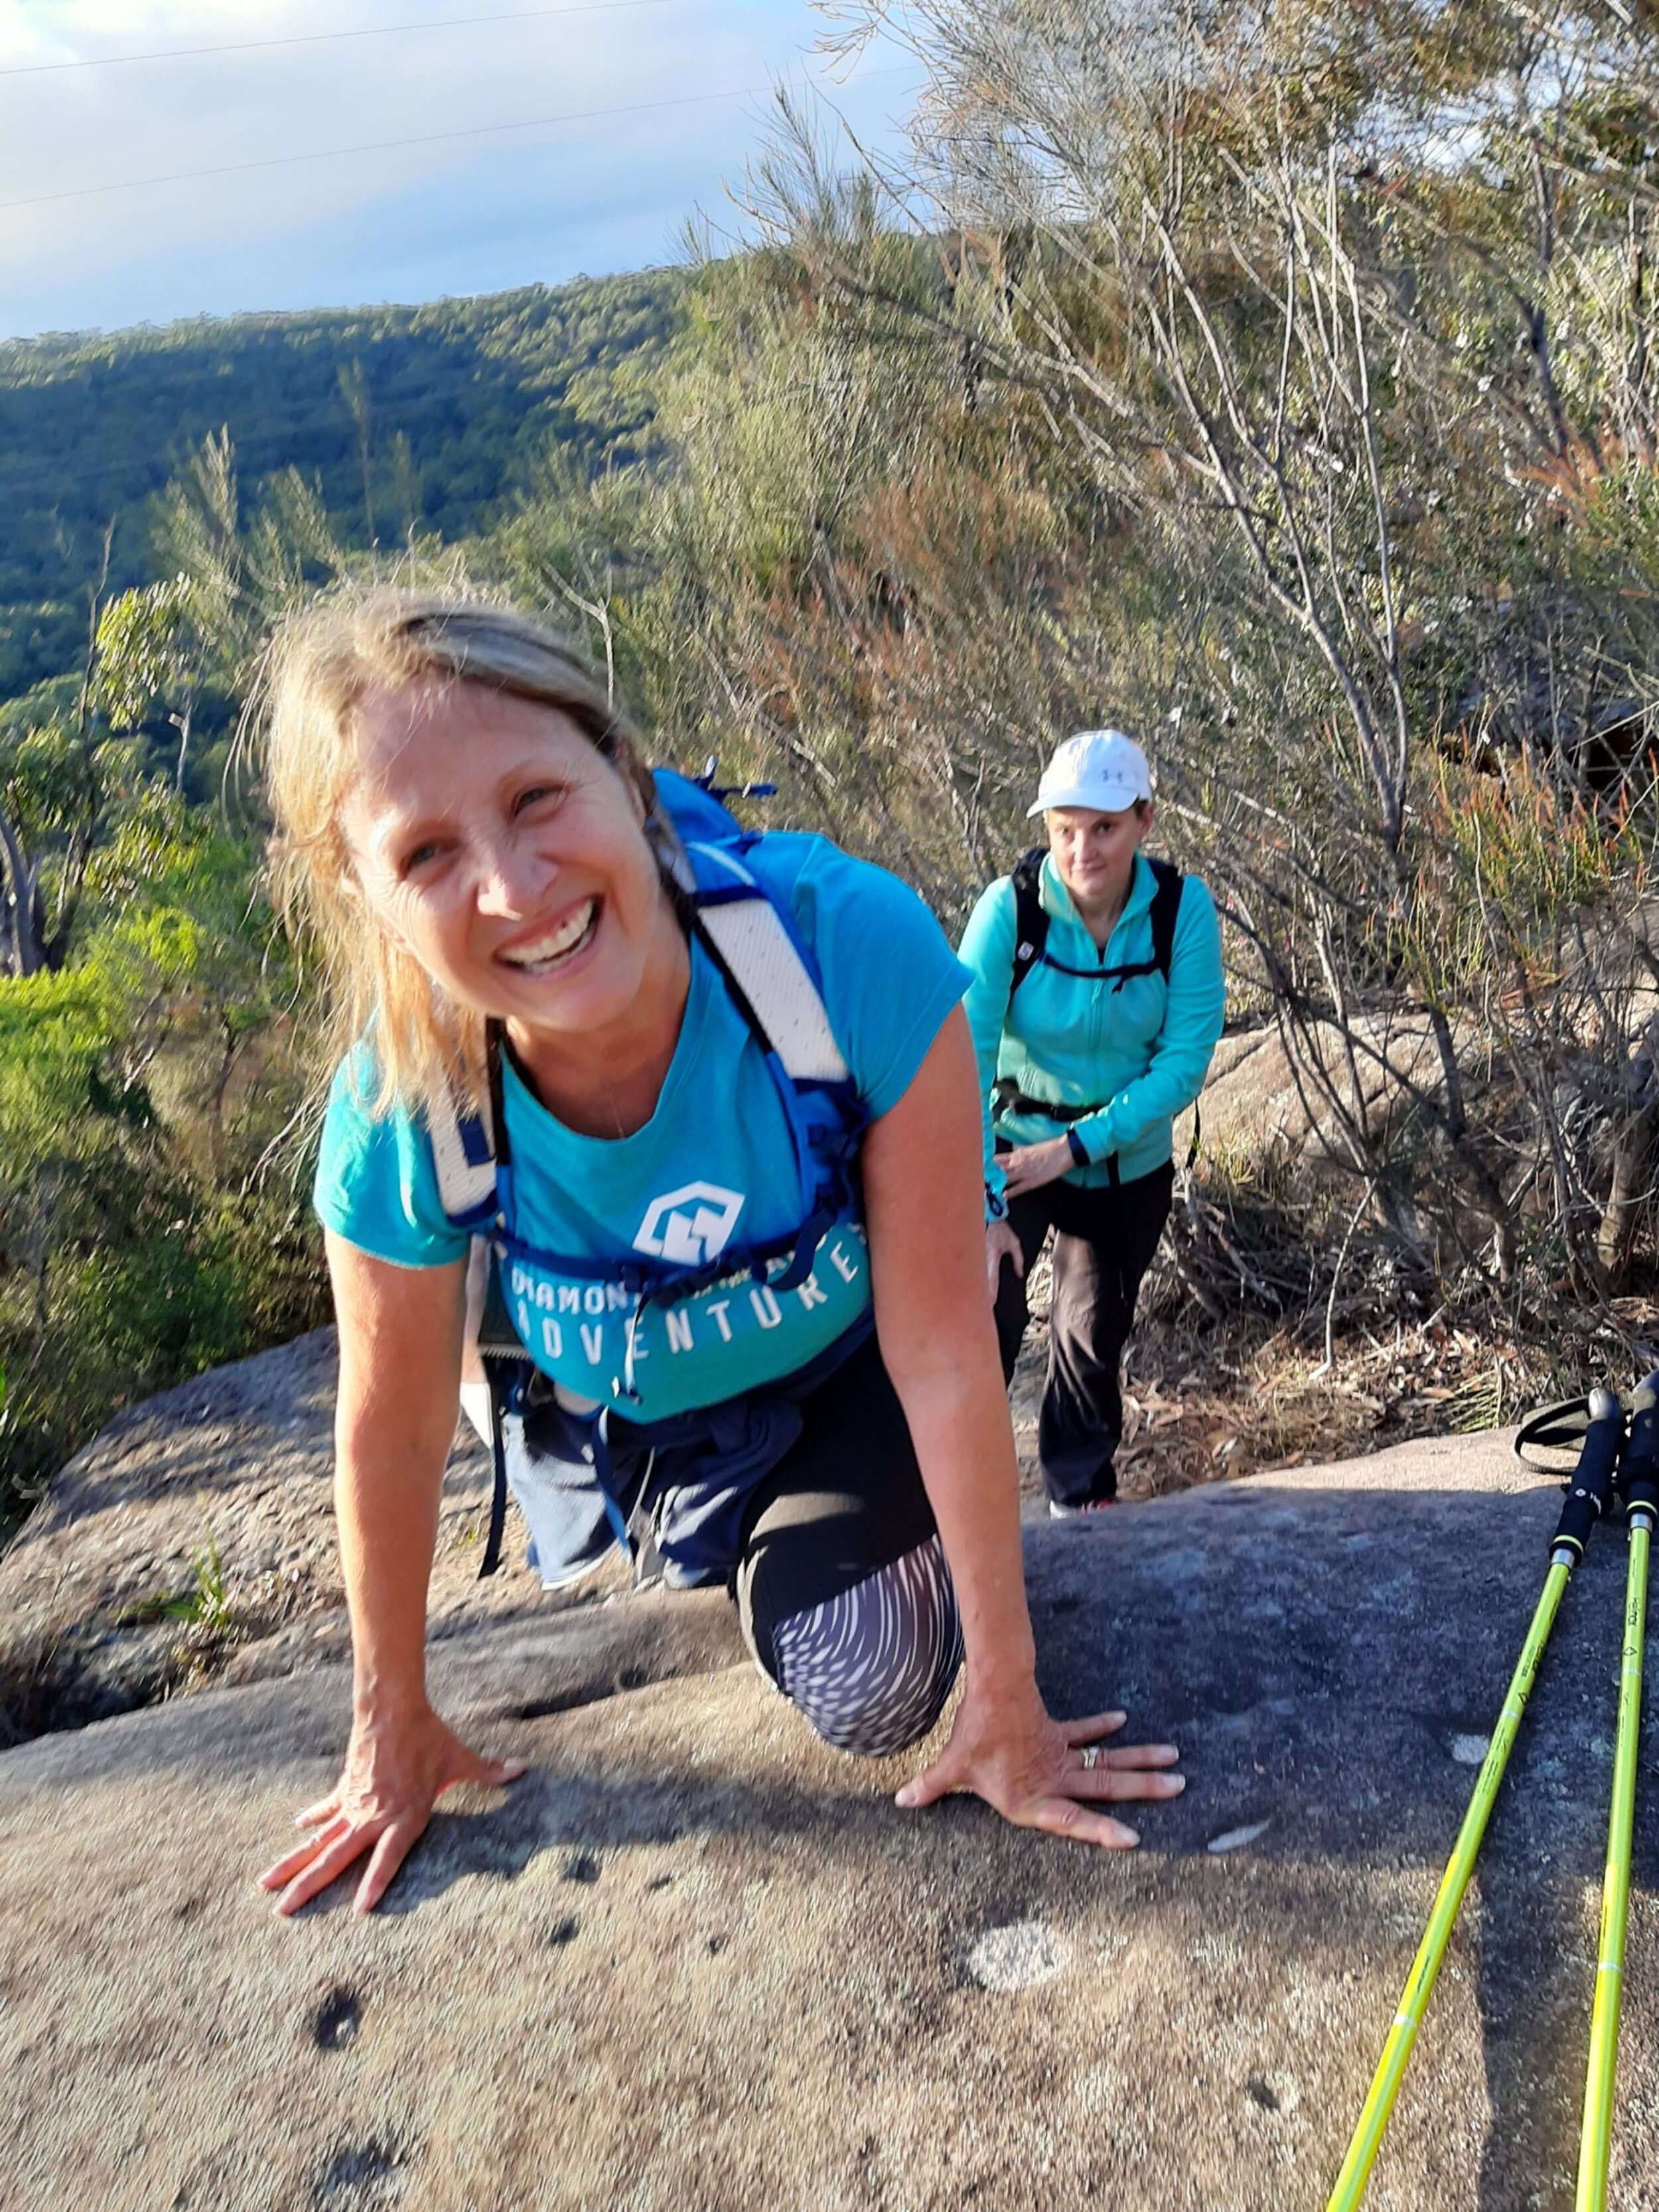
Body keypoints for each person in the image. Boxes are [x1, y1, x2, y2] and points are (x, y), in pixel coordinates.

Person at [253, 593, 1184, 1916]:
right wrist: (386, 1726)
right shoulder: (406, 1103)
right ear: (361, 893)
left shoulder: (834, 943)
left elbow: (934, 1344)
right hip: (658, 1429)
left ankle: (865, 1528)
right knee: (790, 1594)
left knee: (867, 1673)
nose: (513, 890)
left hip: (864, 1363)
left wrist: (1009, 1697)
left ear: (623, 775)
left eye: (534, 798)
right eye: (424, 855)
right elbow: (392, 1425)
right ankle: (734, 1530)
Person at [960, 729, 1225, 1517]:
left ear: (1144, 819)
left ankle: (1077, 1499)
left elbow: (1181, 1065)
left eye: (1104, 827)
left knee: (1091, 1326)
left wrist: (1073, 1148)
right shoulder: (1010, 910)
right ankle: (950, 1505)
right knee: (985, 1309)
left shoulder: (1182, 911)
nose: (1082, 851)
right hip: (1008, 1150)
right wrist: (978, 1200)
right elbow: (961, 1053)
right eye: (1065, 830)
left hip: (1120, 1159)